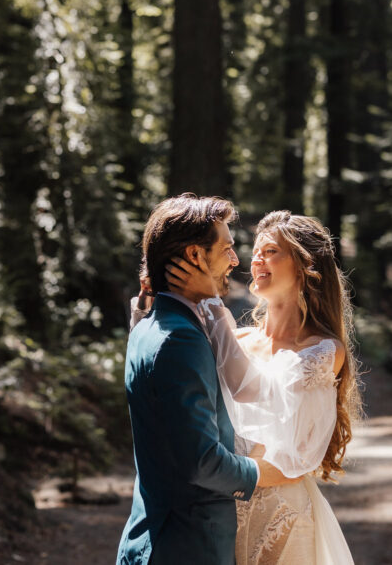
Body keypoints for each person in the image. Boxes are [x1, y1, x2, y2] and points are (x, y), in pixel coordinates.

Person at [136, 210, 360, 564]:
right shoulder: (234, 338)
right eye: (255, 250)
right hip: (221, 509)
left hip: (281, 514)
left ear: (304, 267)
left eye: (271, 251)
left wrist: (211, 303)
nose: (255, 258)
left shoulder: (324, 350)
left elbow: (251, 389)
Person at [116, 195, 304, 565]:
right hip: (186, 546)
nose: (235, 261)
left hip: (157, 535)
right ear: (194, 256)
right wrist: (262, 472)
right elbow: (201, 462)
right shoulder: (180, 339)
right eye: (227, 249)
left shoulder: (149, 324)